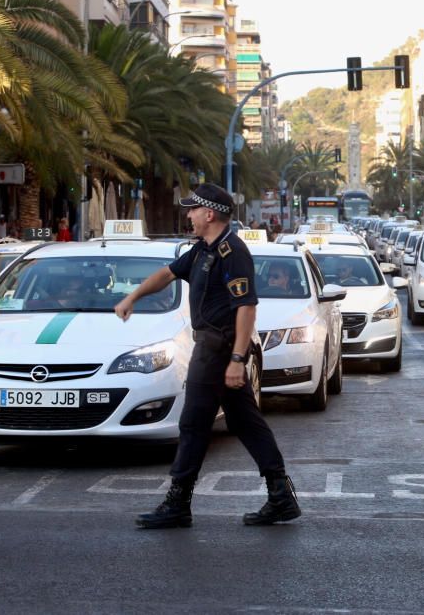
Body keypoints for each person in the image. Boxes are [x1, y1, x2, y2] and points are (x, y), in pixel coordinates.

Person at [114, 183, 300, 529]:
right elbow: (167, 273)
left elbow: (246, 309)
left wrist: (237, 359)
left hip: (217, 349)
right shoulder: (203, 251)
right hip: (213, 347)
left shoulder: (233, 253)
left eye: (193, 210)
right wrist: (133, 297)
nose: (189, 215)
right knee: (245, 421)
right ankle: (281, 496)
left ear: (209, 213)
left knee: (193, 424)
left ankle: (178, 503)